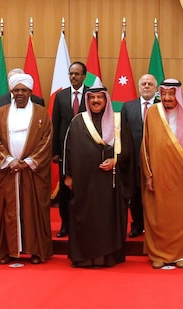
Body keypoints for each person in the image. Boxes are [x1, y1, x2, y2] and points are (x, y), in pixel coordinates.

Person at [141, 79, 183, 269]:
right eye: (164, 94)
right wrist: (149, 175)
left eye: (172, 94)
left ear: (178, 93)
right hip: (159, 173)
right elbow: (145, 146)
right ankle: (159, 253)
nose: (168, 98)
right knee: (160, 215)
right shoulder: (153, 112)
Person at [64, 84, 132, 268]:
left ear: (106, 100)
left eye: (99, 98)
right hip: (83, 182)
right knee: (85, 217)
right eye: (92, 98)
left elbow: (128, 149)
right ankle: (84, 257)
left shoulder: (117, 121)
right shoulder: (78, 120)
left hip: (109, 183)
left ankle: (107, 257)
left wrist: (115, 161)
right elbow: (68, 151)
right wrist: (68, 176)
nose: (95, 101)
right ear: (87, 100)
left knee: (107, 219)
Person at [0, 73, 54, 265]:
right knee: (6, 211)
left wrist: (29, 161)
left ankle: (36, 251)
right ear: (11, 92)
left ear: (30, 92)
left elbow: (46, 140)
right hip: (8, 172)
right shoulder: (1, 112)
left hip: (33, 172)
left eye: (23, 90)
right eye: (16, 90)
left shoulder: (41, 112)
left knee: (34, 211)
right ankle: (7, 251)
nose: (20, 94)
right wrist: (9, 160)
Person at [51, 61, 88, 238]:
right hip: (65, 152)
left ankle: (82, 224)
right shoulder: (61, 96)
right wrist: (54, 152)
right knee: (66, 191)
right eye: (71, 74)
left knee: (84, 189)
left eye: (77, 74)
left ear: (84, 76)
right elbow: (56, 124)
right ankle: (65, 224)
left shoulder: (92, 94)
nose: (73, 76)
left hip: (87, 150)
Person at [120, 73, 158, 238]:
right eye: (144, 83)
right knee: (135, 194)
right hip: (134, 158)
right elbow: (122, 133)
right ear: (139, 86)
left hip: (158, 159)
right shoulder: (128, 107)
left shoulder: (162, 105)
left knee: (156, 194)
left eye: (150, 83)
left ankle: (154, 226)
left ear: (156, 88)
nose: (147, 86)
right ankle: (137, 225)